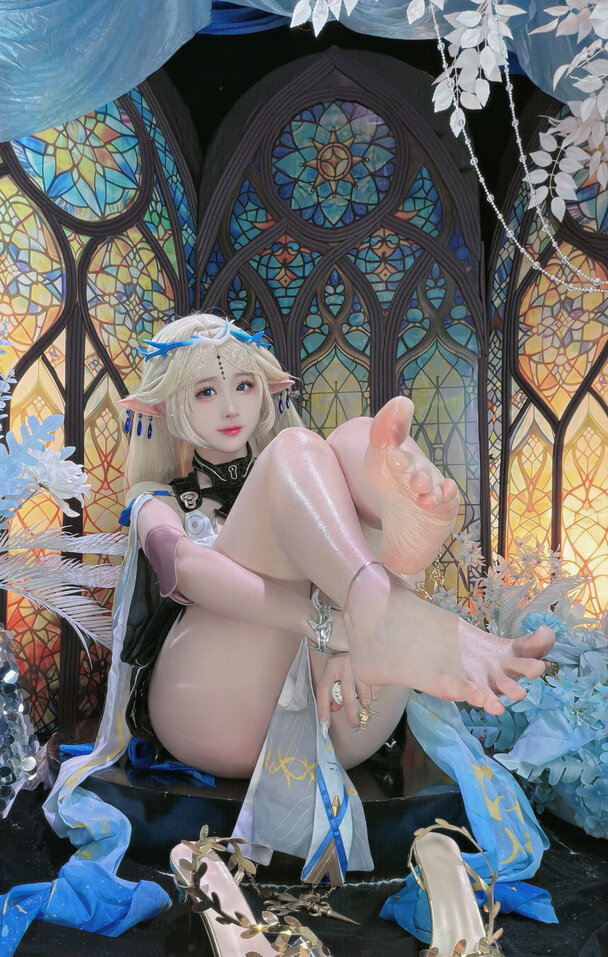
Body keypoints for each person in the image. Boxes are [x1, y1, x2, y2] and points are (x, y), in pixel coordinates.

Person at [117, 311, 553, 783]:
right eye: (206, 392)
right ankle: (380, 610)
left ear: (266, 389)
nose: (230, 407)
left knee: (352, 440)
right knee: (295, 450)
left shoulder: (310, 478)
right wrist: (339, 629)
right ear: (161, 407)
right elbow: (186, 568)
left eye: (244, 385)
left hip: (340, 712)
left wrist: (352, 637)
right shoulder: (156, 499)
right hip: (214, 713)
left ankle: (393, 537)